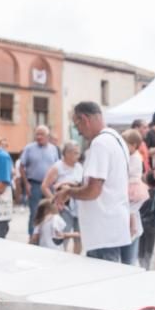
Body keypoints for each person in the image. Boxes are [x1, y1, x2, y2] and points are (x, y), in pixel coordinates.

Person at [53, 101, 130, 262]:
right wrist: (73, 186)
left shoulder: (100, 143)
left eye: (76, 125)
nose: (78, 132)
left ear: (84, 119)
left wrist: (68, 192)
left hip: (102, 231)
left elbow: (92, 191)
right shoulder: (116, 138)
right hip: (112, 227)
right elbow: (106, 182)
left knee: (105, 283)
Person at [18, 125, 60, 235]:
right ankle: (32, 236)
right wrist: (26, 184)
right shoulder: (29, 148)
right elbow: (21, 166)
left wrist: (57, 183)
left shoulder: (53, 149)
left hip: (49, 186)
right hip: (34, 184)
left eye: (41, 134)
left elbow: (57, 166)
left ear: (47, 136)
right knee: (34, 212)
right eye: (37, 134)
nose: (39, 137)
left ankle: (47, 235)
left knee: (51, 210)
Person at [43, 140, 84, 254]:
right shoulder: (57, 167)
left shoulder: (79, 167)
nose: (78, 155)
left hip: (79, 206)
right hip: (64, 207)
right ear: (67, 153)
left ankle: (77, 260)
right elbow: (45, 186)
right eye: (75, 153)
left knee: (79, 236)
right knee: (63, 235)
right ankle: (61, 259)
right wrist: (55, 202)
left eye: (78, 153)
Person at [122, 128, 150, 266]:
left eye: (125, 144)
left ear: (134, 145)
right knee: (130, 208)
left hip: (133, 184)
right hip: (131, 184)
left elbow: (131, 172)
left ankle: (132, 226)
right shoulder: (130, 155)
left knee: (131, 208)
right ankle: (132, 225)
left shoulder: (136, 157)